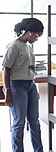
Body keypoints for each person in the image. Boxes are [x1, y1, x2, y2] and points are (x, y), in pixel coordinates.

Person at [2, 18, 44, 152]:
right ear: (29, 32)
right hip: (16, 86)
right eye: (37, 35)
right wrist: (8, 91)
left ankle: (39, 150)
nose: (37, 39)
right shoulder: (13, 46)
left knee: (34, 122)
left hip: (30, 85)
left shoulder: (28, 46)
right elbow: (6, 69)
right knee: (19, 123)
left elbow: (28, 67)